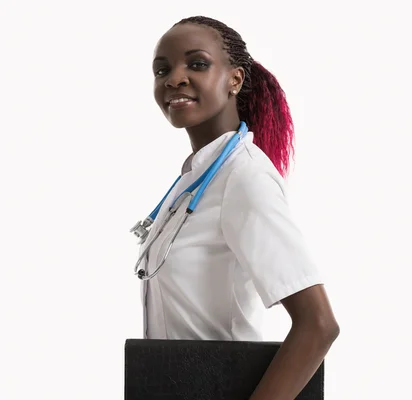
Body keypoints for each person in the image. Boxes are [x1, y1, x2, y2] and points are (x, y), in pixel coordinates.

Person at [134, 16, 340, 399]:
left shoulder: (245, 178)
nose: (173, 78)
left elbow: (318, 324)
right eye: (161, 69)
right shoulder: (196, 179)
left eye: (196, 64)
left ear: (235, 80)